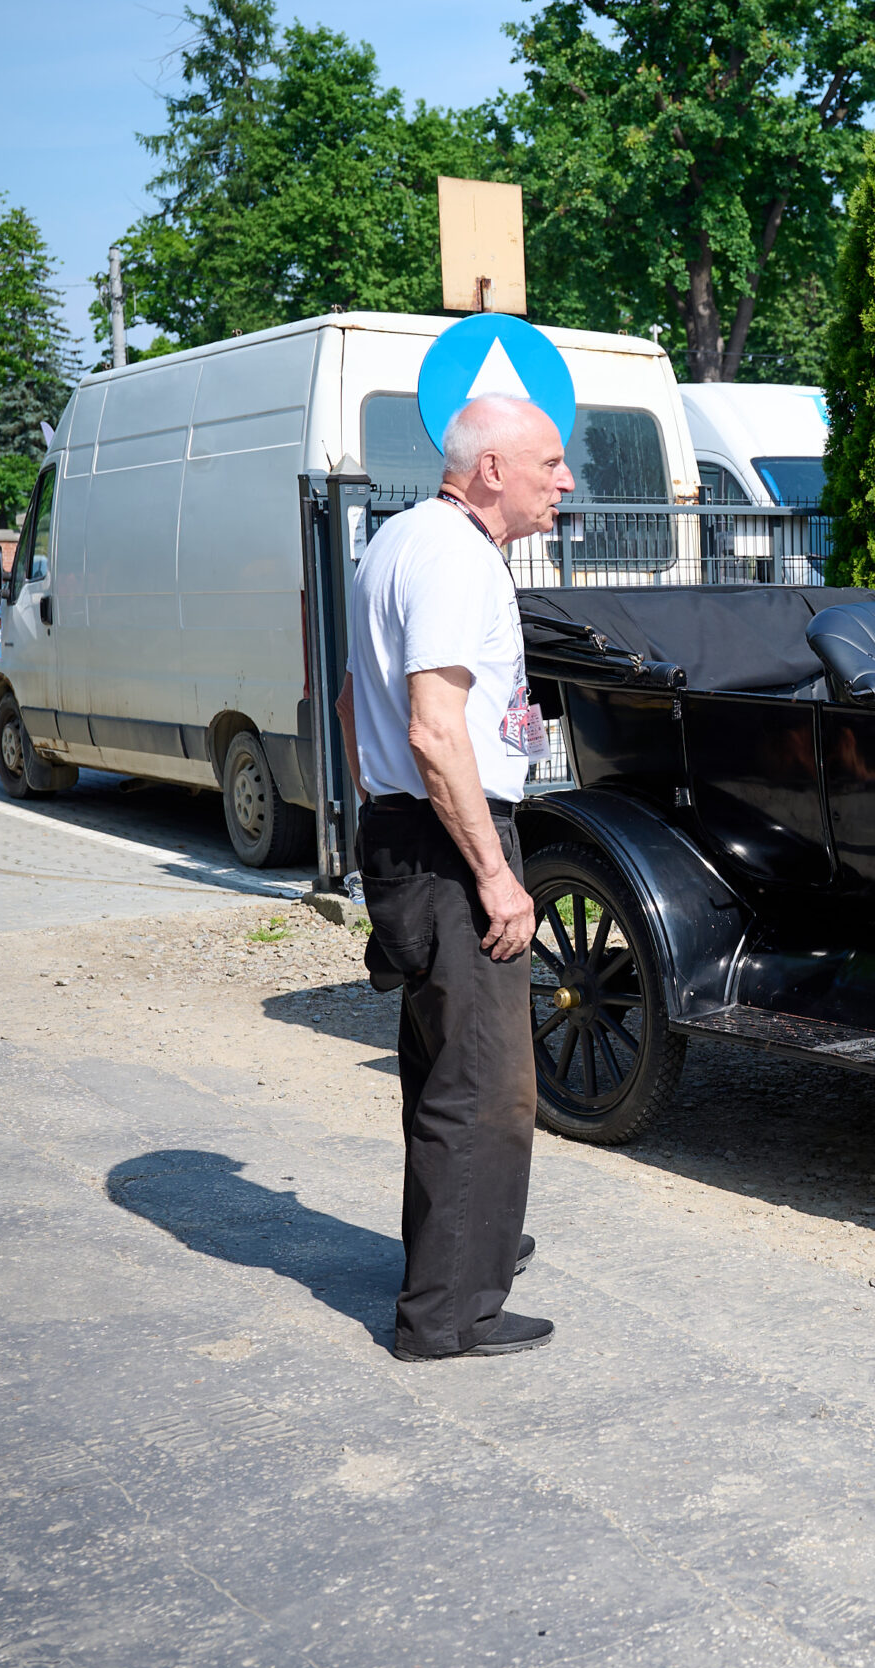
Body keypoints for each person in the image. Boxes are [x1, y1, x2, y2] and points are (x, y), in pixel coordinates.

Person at [334, 393, 572, 1361]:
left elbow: (350, 699)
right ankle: (449, 1315)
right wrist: (494, 875)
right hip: (447, 842)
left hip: (409, 832)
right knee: (486, 1086)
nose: (565, 482)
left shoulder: (399, 540)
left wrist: (383, 804)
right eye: (549, 463)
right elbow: (435, 730)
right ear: (491, 470)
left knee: (444, 1070)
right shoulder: (452, 557)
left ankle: (462, 1252)